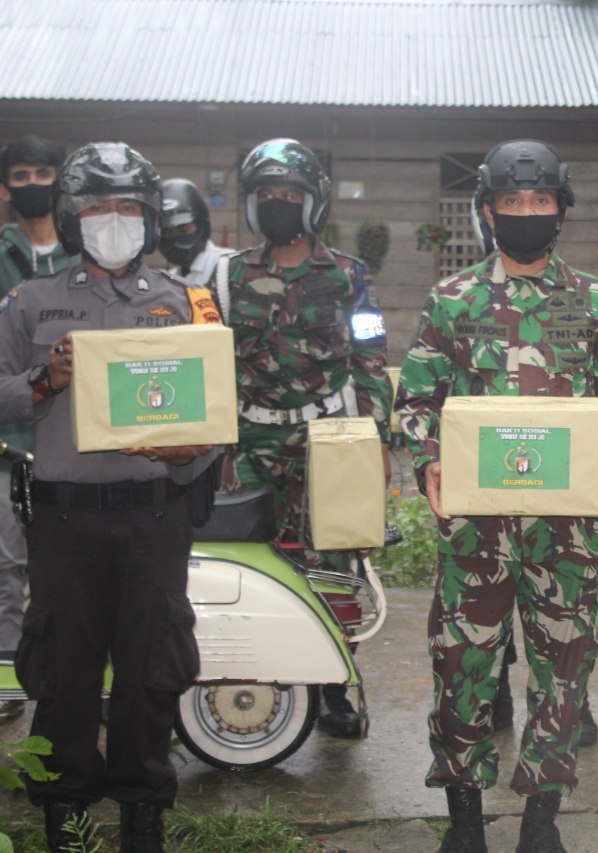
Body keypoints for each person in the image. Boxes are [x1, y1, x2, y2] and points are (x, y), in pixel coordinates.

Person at [396, 139, 598, 853]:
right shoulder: (453, 299)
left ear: (560, 212)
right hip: (476, 528)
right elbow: (415, 401)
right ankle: (464, 820)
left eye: (540, 200)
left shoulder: (593, 301)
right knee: (462, 666)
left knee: (563, 670)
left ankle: (542, 819)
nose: (527, 211)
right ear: (488, 211)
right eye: (512, 201)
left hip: (566, 529)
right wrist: (430, 461)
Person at [0, 141, 220, 851]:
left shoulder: (186, 302)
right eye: (97, 207)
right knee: (63, 670)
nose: (114, 219)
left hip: (155, 516)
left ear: (151, 218)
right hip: (63, 520)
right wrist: (44, 381)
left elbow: (217, 411)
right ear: (71, 217)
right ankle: (65, 814)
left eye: (128, 207)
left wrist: (190, 450)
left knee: (151, 668)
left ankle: (142, 811)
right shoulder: (31, 303)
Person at [224, 138, 392, 738]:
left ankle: (334, 687)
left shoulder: (348, 275)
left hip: (326, 441)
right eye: (268, 194)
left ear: (313, 201)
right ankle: (253, 676)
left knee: (332, 563)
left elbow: (371, 357)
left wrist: (378, 439)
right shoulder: (229, 276)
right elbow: (212, 362)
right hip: (248, 442)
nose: (279, 204)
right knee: (247, 562)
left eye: (290, 194)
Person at [0, 135, 79, 725]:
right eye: (21, 175)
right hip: (8, 443)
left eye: (43, 173)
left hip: (75, 442)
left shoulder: (86, 254)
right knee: (5, 568)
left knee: (74, 571)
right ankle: (6, 680)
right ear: (4, 189)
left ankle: (80, 683)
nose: (33, 184)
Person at [158, 177, 237, 287]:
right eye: (167, 232)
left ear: (200, 224)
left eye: (182, 228)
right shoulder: (171, 278)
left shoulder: (228, 265)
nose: (175, 236)